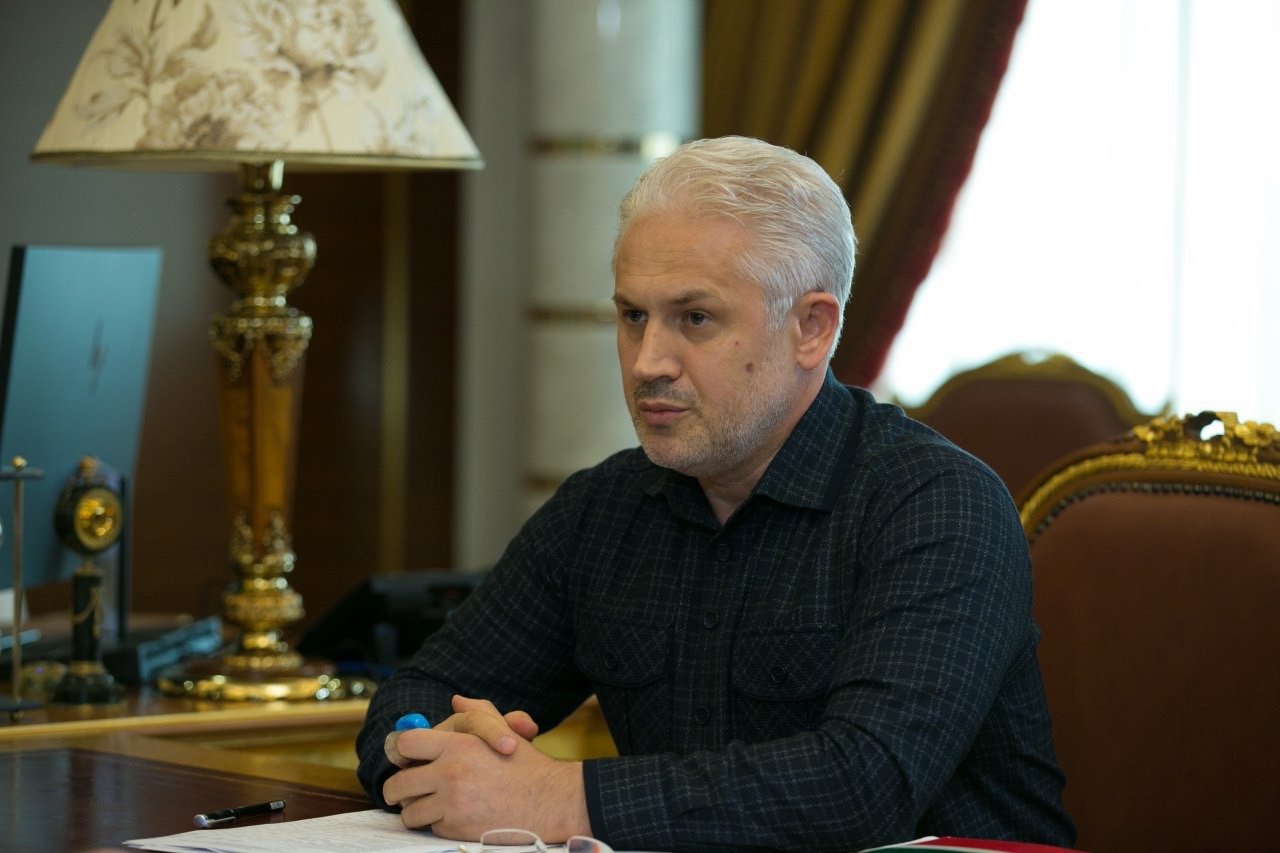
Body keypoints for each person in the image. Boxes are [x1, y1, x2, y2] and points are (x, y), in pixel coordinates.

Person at [356, 136, 1075, 852]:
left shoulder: (939, 504)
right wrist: (433, 747)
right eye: (633, 316)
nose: (648, 362)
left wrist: (554, 796)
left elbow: (862, 786)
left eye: (694, 319)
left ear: (811, 329)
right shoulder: (604, 507)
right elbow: (415, 695)